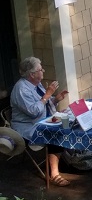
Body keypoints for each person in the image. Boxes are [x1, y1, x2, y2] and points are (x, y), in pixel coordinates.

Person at [10, 57, 70, 186]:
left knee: (67, 124)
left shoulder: (35, 85)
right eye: (40, 69)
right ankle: (54, 174)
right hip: (28, 127)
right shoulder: (21, 90)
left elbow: (42, 104)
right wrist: (47, 94)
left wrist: (55, 99)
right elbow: (33, 112)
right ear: (32, 74)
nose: (43, 70)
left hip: (43, 121)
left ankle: (63, 159)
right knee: (55, 134)